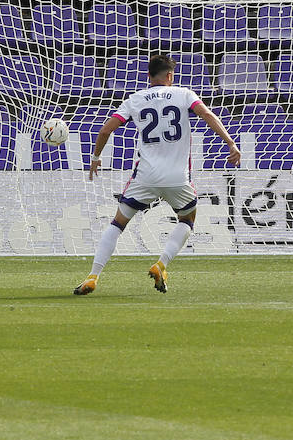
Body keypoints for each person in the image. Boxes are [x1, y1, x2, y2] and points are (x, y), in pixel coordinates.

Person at [77, 54, 241, 295]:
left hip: (145, 177)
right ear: (170, 76)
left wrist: (95, 157)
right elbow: (207, 115)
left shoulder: (135, 99)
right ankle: (161, 264)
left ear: (148, 76)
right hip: (177, 178)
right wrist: (230, 143)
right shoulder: (184, 94)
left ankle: (93, 276)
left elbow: (105, 130)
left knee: (118, 224)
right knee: (187, 220)